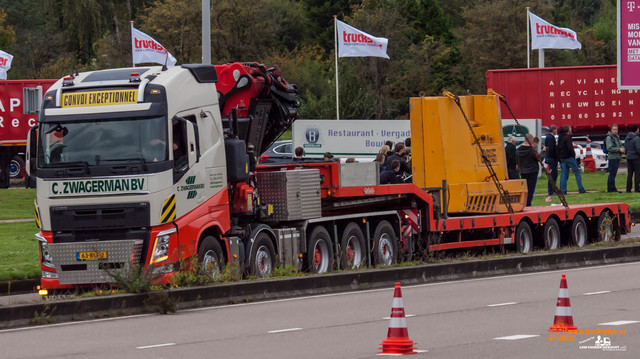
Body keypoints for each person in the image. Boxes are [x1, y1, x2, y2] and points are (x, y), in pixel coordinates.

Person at [557, 125, 586, 194]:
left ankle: (563, 190)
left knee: (564, 174)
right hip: (569, 157)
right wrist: (573, 155)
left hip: (562, 157)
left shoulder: (560, 137)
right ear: (568, 131)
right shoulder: (567, 137)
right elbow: (570, 147)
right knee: (577, 172)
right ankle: (581, 188)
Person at [517, 134, 540, 206]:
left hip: (523, 171)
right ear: (530, 140)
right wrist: (543, 152)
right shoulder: (531, 150)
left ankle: (524, 203)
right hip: (532, 171)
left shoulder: (518, 150)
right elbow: (538, 159)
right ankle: (528, 204)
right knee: (531, 190)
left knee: (524, 189)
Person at [605, 124, 624, 193]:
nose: (616, 131)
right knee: (612, 173)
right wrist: (619, 149)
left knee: (613, 173)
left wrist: (623, 148)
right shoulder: (609, 138)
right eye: (614, 129)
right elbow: (609, 148)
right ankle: (611, 189)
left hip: (617, 157)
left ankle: (612, 188)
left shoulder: (617, 137)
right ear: (611, 130)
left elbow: (621, 144)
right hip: (612, 157)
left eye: (617, 129)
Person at [544, 125, 558, 202]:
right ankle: (551, 190)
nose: (557, 131)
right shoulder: (550, 138)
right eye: (556, 129)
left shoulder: (549, 137)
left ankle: (553, 190)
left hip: (550, 158)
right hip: (551, 159)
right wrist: (556, 157)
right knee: (552, 175)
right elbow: (551, 149)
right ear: (553, 130)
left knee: (554, 175)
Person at [625, 124, 640, 192]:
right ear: (636, 130)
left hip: (629, 157)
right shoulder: (636, 138)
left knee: (630, 174)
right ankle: (637, 188)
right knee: (637, 173)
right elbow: (638, 149)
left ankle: (628, 189)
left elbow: (626, 147)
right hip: (636, 158)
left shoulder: (627, 137)